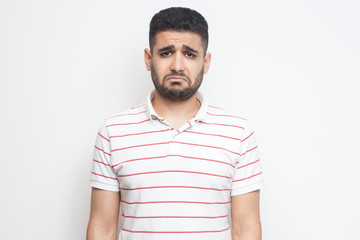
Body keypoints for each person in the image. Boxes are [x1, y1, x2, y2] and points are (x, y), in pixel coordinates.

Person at [86, 7, 264, 240]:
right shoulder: (113, 131)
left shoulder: (238, 133)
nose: (177, 66)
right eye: (166, 53)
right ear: (149, 59)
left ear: (206, 62)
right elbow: (102, 228)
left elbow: (246, 229)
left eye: (189, 54)